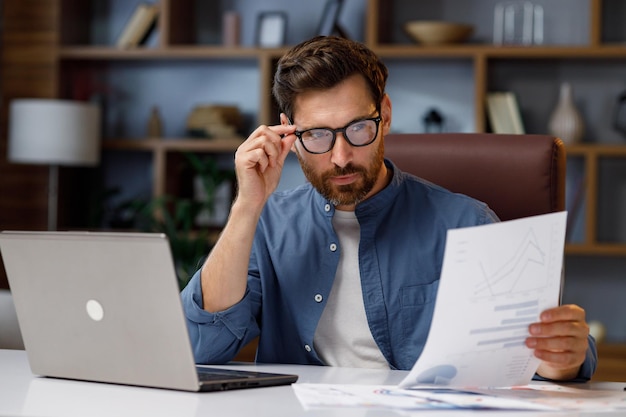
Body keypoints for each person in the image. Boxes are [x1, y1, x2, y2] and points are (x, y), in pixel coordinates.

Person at [181, 35, 596, 381]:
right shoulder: (268, 225)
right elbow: (203, 345)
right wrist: (247, 205)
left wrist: (563, 358)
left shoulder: (467, 224)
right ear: (289, 132)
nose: (341, 156)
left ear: (386, 115)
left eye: (358, 128)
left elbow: (533, 361)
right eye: (319, 135)